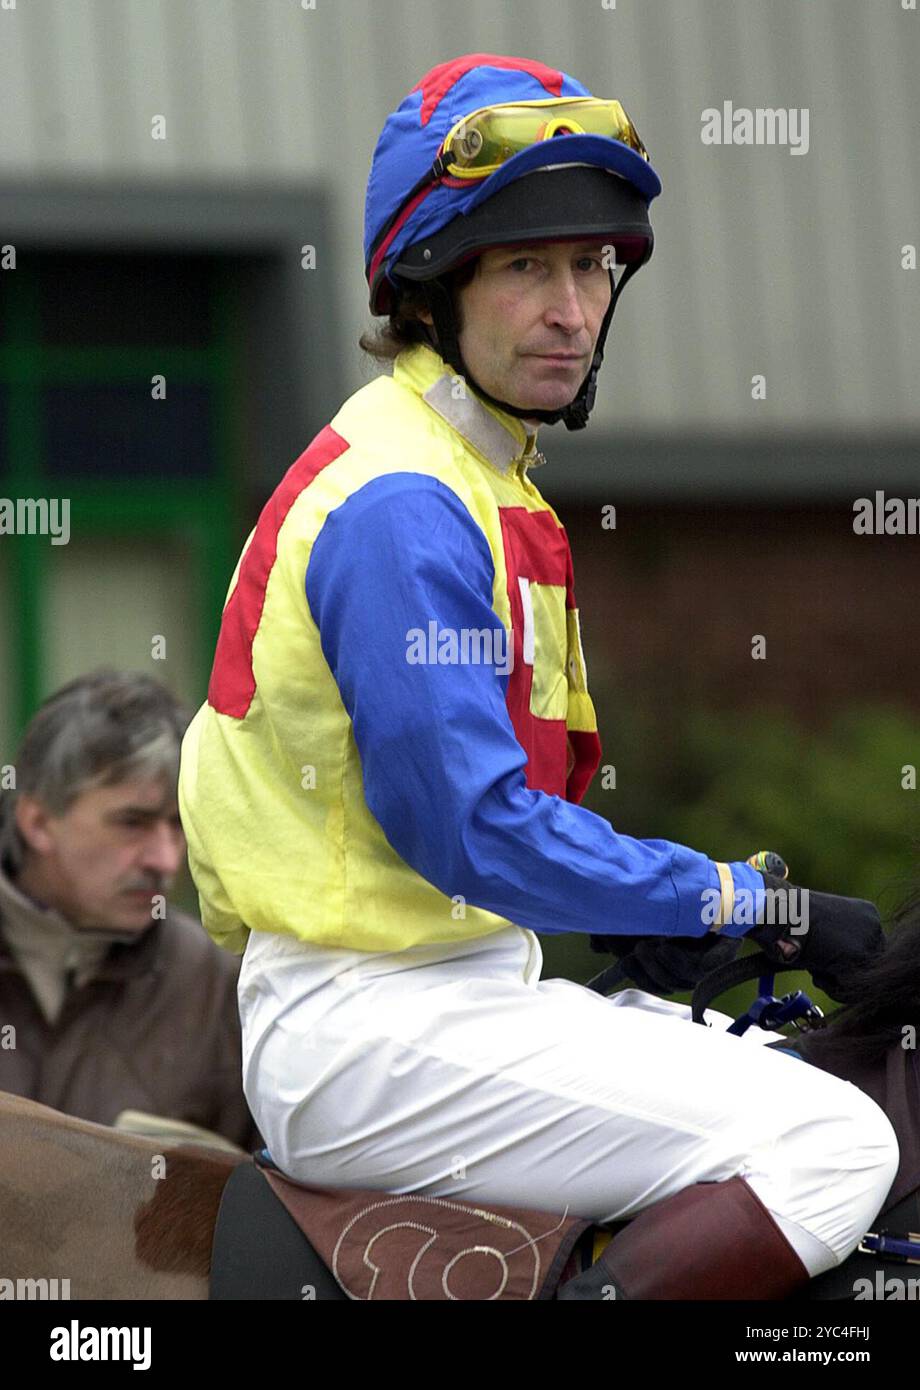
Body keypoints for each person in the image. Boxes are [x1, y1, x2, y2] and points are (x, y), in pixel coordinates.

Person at [178, 54, 897, 1298]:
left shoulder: (474, 473)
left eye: (591, 266)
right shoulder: (404, 504)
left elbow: (492, 823)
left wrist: (634, 910)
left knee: (813, 1082)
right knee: (833, 1142)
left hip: (453, 994)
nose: (571, 308)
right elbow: (467, 826)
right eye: (526, 268)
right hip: (368, 1032)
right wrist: (740, 898)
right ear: (429, 290)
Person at [0, 669, 259, 1150]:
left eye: (179, 825)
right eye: (132, 823)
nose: (165, 859)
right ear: (37, 822)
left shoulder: (220, 982)